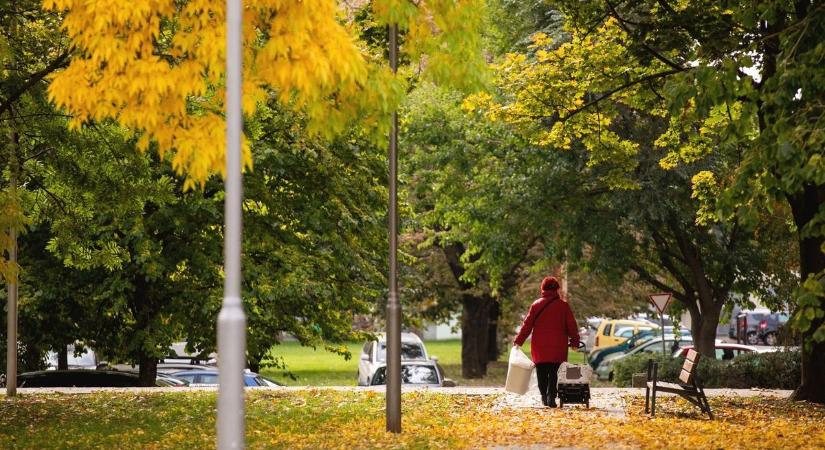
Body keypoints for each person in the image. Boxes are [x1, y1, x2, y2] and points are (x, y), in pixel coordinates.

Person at [513, 276, 580, 407]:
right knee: (555, 373)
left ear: (542, 289)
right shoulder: (563, 306)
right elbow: (572, 326)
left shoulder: (536, 305)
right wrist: (574, 342)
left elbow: (527, 325)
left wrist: (519, 341)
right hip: (558, 347)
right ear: (557, 289)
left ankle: (544, 395)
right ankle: (551, 397)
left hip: (540, 347)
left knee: (541, 372)